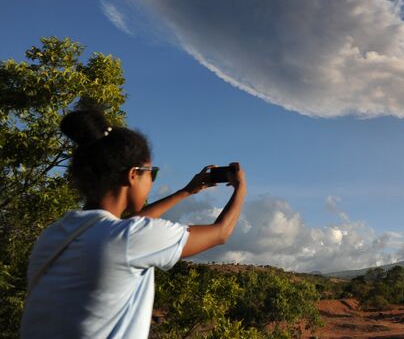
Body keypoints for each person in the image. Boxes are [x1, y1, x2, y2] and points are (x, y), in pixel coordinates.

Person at [20, 105, 247, 338]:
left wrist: (186, 192)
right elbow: (221, 233)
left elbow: (126, 227)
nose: (152, 181)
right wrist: (241, 188)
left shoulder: (54, 236)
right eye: (152, 173)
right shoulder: (129, 240)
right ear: (133, 174)